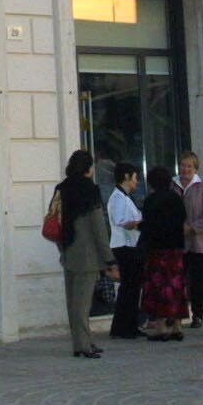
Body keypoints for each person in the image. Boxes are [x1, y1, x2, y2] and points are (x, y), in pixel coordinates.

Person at [54, 148, 113, 359]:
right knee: (82, 302)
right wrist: (108, 257)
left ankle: (81, 341)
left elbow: (56, 220)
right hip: (87, 254)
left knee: (72, 301)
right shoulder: (90, 190)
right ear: (88, 169)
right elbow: (98, 227)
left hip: (68, 249)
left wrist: (62, 246)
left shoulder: (61, 188)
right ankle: (82, 344)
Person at [137, 164, 188, 341]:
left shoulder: (151, 200)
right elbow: (182, 219)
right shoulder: (176, 198)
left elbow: (149, 225)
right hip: (175, 248)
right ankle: (177, 326)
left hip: (157, 250)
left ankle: (161, 327)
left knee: (158, 287)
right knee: (176, 287)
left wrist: (139, 226)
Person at [178, 151, 203, 328]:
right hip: (179, 241)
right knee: (179, 278)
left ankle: (198, 314)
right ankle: (178, 312)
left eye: (189, 166)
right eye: (183, 165)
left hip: (199, 241)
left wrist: (192, 227)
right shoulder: (174, 185)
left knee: (199, 279)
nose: (185, 169)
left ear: (195, 168)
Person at [105, 162, 145, 339]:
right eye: (135, 177)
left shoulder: (124, 197)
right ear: (127, 177)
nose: (137, 182)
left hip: (128, 245)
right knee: (129, 288)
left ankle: (128, 325)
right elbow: (123, 221)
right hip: (125, 246)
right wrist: (142, 223)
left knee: (131, 288)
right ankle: (124, 327)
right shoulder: (118, 198)